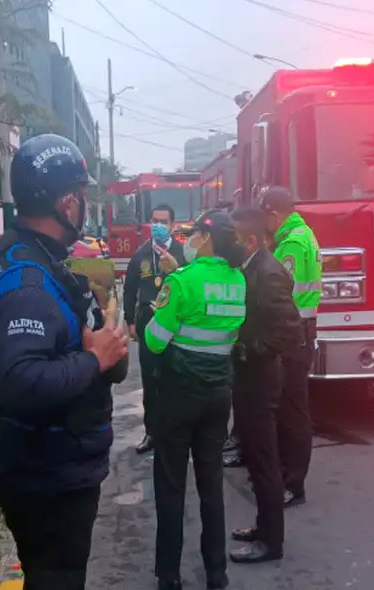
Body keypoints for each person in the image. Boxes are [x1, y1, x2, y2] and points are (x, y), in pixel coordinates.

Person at [0, 134, 129, 589]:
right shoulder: (28, 282)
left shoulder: (31, 257)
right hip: (48, 475)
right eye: (82, 197)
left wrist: (100, 350)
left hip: (51, 467)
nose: (86, 208)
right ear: (65, 202)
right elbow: (20, 382)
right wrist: (95, 359)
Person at [145, 209, 248, 590]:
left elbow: (156, 340)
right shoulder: (237, 280)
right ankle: (216, 572)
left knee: (171, 486)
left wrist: (156, 310)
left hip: (178, 396)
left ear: (206, 239)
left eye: (194, 235)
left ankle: (169, 575)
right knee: (211, 484)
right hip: (218, 395)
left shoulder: (181, 281)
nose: (188, 241)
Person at [226, 206, 304, 564]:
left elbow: (290, 332)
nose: (232, 244)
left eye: (236, 238)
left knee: (263, 460)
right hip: (247, 375)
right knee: (256, 460)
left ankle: (271, 542)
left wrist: (249, 351)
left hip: (260, 376)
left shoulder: (269, 273)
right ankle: (263, 525)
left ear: (252, 240)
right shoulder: (251, 267)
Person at [259, 186, 321, 508]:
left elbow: (284, 293)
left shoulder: (293, 243)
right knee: (287, 409)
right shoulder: (301, 233)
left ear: (274, 213)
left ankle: (293, 483)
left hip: (293, 335)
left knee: (293, 413)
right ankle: (288, 477)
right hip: (298, 331)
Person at [122, 203, 185, 454]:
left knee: (176, 379)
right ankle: (152, 433)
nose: (159, 225)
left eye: (164, 221)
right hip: (147, 323)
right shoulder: (140, 254)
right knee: (150, 379)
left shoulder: (183, 254)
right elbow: (128, 289)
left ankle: (176, 432)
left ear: (172, 225)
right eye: (155, 221)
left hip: (176, 327)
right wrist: (130, 321)